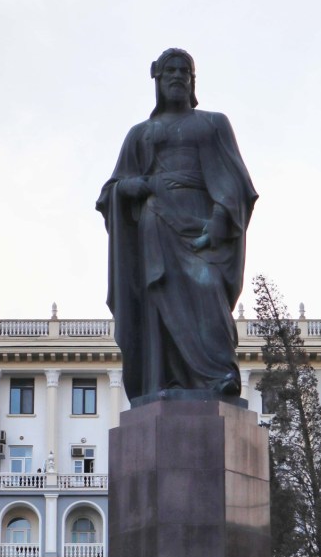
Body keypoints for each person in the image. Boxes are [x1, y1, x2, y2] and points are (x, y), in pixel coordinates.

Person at [96, 48, 258, 401]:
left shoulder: (213, 123)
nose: (177, 77)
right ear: (157, 79)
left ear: (193, 80)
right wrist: (129, 187)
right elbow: (110, 190)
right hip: (156, 228)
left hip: (203, 226)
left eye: (184, 71)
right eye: (170, 71)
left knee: (209, 292)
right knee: (160, 301)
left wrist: (220, 219)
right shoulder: (141, 133)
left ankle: (220, 376)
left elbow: (235, 181)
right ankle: (163, 380)